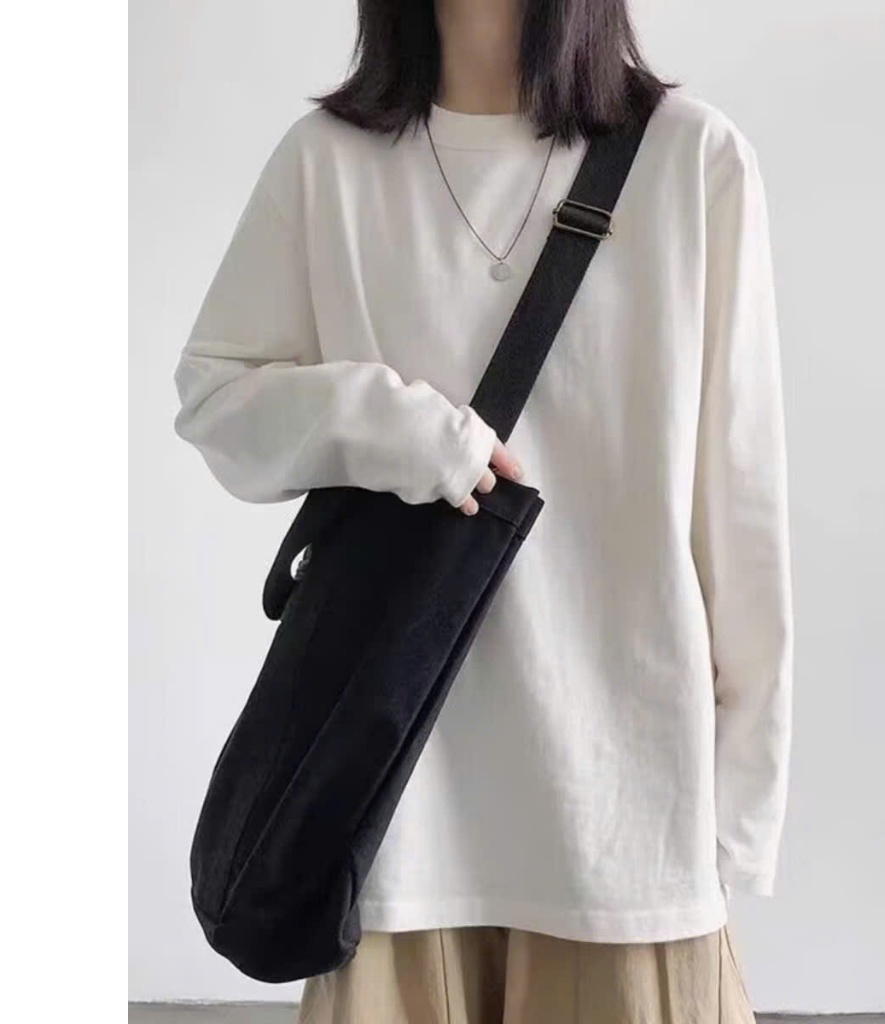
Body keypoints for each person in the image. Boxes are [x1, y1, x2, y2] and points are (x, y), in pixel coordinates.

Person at [172, 0, 794, 1020]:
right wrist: (399, 429)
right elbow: (216, 398)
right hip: (392, 827)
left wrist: (737, 813)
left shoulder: (691, 160)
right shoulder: (327, 161)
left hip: (625, 819)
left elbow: (742, 505)